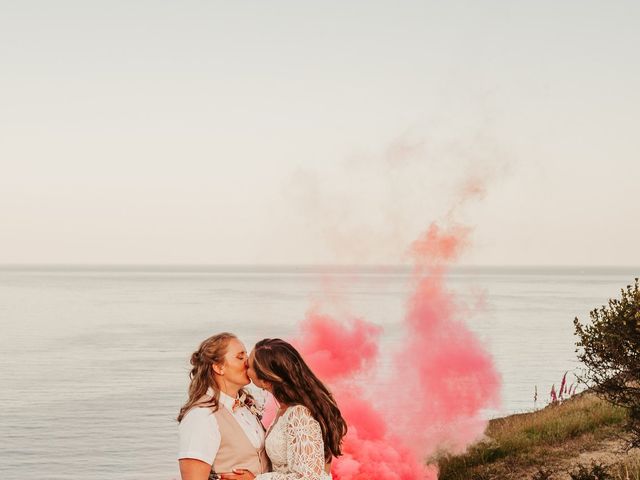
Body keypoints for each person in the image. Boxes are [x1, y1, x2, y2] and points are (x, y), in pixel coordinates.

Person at [221, 338, 348, 480]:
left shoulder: (300, 414)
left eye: (249, 365)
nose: (244, 366)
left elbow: (311, 478)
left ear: (266, 381)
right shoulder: (286, 409)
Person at [177, 333, 270, 480]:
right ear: (219, 367)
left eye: (246, 356)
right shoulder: (201, 416)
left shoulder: (247, 407)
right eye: (240, 357)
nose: (249, 362)